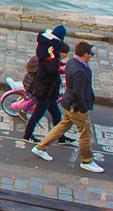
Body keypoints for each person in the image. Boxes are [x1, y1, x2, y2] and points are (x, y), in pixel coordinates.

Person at [32, 41, 103, 173]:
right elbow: (78, 92)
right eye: (91, 54)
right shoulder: (80, 71)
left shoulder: (72, 62)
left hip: (67, 102)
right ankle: (86, 160)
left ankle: (41, 147)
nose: (92, 56)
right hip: (75, 106)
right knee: (85, 133)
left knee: (63, 125)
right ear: (85, 54)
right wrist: (82, 108)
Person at [20, 37, 68, 144]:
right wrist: (53, 57)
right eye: (64, 53)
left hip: (50, 94)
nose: (65, 55)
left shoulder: (51, 60)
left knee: (56, 114)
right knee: (38, 114)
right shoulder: (48, 61)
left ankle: (61, 137)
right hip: (44, 93)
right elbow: (51, 70)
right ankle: (27, 135)